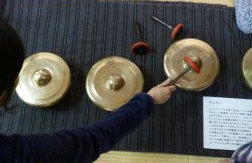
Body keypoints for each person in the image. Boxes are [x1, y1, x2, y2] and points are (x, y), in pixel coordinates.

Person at [0, 20, 176, 162]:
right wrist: (148, 100)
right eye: (15, 75)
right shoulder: (16, 154)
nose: (18, 79)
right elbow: (92, 140)